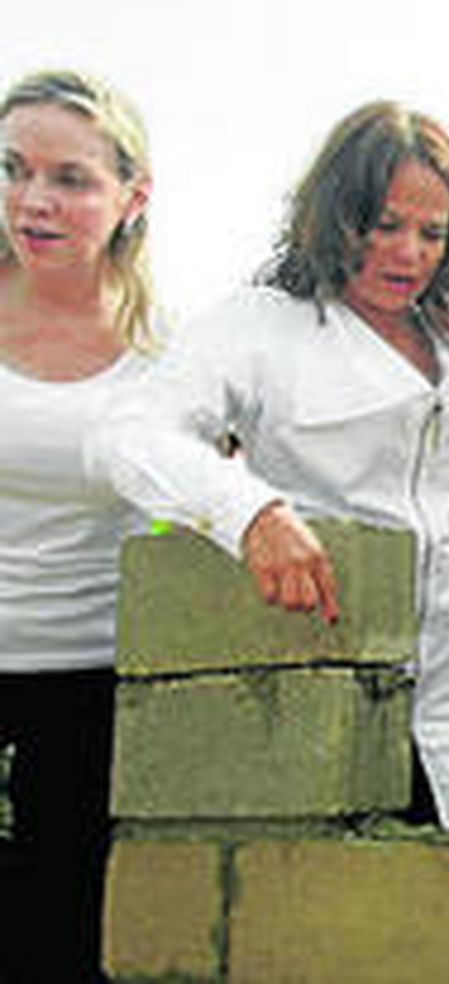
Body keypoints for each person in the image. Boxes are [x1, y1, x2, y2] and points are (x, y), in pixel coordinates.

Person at [91, 101, 449, 832]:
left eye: (433, 233)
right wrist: (252, 515)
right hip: (315, 689)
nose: (409, 254)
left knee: (439, 921)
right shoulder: (262, 325)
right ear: (335, 214)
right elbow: (131, 436)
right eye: (385, 225)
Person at [0, 69, 154, 983]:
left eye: (70, 178)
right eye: (13, 168)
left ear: (133, 197)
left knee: (59, 937)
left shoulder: (170, 355)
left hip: (95, 691)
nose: (33, 201)